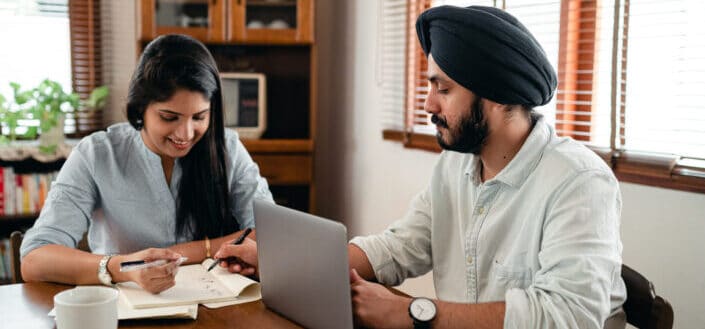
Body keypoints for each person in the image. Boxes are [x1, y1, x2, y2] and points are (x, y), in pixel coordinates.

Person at [214, 5, 626, 329]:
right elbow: (399, 246)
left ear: (500, 98)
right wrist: (284, 263)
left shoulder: (579, 182)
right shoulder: (455, 166)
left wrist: (410, 313)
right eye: (430, 86)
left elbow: (568, 318)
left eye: (444, 89)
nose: (429, 105)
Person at [20, 34, 273, 294]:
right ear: (140, 108)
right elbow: (35, 260)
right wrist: (124, 267)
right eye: (169, 117)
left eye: (199, 117)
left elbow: (271, 234)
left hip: (216, 305)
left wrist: (184, 252)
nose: (186, 134)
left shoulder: (226, 148)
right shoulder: (97, 154)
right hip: (125, 307)